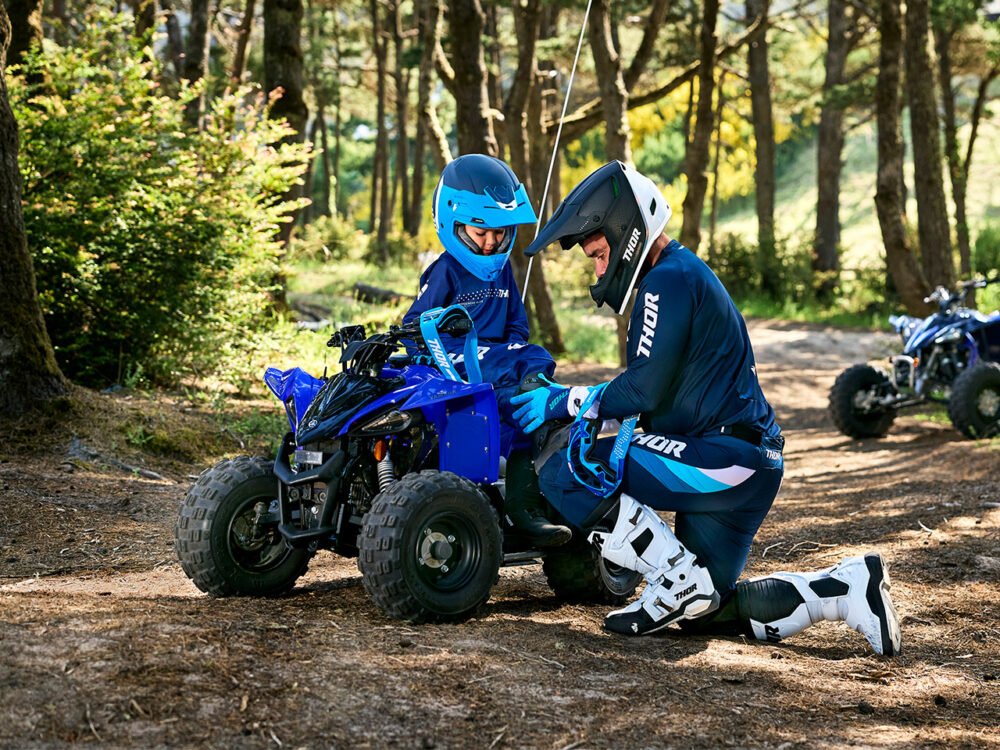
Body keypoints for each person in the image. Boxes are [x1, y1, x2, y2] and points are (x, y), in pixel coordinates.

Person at [510, 160, 901, 655]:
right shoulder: (680, 274)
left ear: (626, 232)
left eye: (600, 254)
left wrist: (563, 401)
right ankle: (845, 590)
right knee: (706, 612)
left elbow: (642, 391)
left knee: (574, 463)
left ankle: (675, 578)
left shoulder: (665, 281)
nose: (600, 271)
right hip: (744, 462)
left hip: (724, 459)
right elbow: (651, 395)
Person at [402, 153, 571, 548]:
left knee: (535, 401)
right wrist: (439, 354)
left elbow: (517, 325)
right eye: (481, 233)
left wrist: (511, 353)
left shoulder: (505, 269)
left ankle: (526, 506)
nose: (492, 242)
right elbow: (414, 329)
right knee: (532, 363)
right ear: (453, 223)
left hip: (500, 363)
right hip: (457, 358)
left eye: (500, 233)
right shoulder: (446, 270)